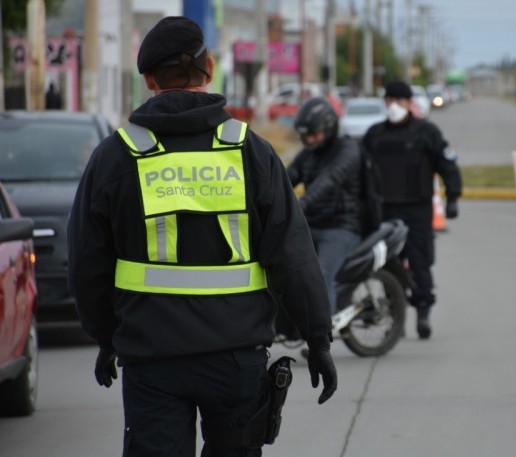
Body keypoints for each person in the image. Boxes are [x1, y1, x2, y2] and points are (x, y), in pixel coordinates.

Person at [67, 16, 336, 457]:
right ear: (208, 69)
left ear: (149, 79)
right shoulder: (251, 151)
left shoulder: (116, 156)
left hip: (151, 359)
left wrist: (106, 336)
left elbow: (86, 265)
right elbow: (293, 255)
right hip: (236, 358)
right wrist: (318, 338)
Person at [361, 80, 462, 340]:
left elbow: (447, 164)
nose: (394, 105)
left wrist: (453, 197)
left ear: (410, 103)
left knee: (419, 262)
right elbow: (359, 171)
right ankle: (395, 314)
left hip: (416, 209)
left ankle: (424, 311)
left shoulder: (426, 132)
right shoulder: (374, 135)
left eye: (400, 100)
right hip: (384, 209)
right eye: (390, 100)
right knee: (386, 262)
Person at [287, 97, 363, 316]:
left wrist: (302, 203)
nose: (309, 139)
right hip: (312, 224)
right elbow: (285, 179)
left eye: (314, 134)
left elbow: (328, 181)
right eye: (305, 135)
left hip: (342, 227)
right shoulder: (308, 154)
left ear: (329, 128)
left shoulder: (348, 151)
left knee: (320, 273)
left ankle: (322, 338)